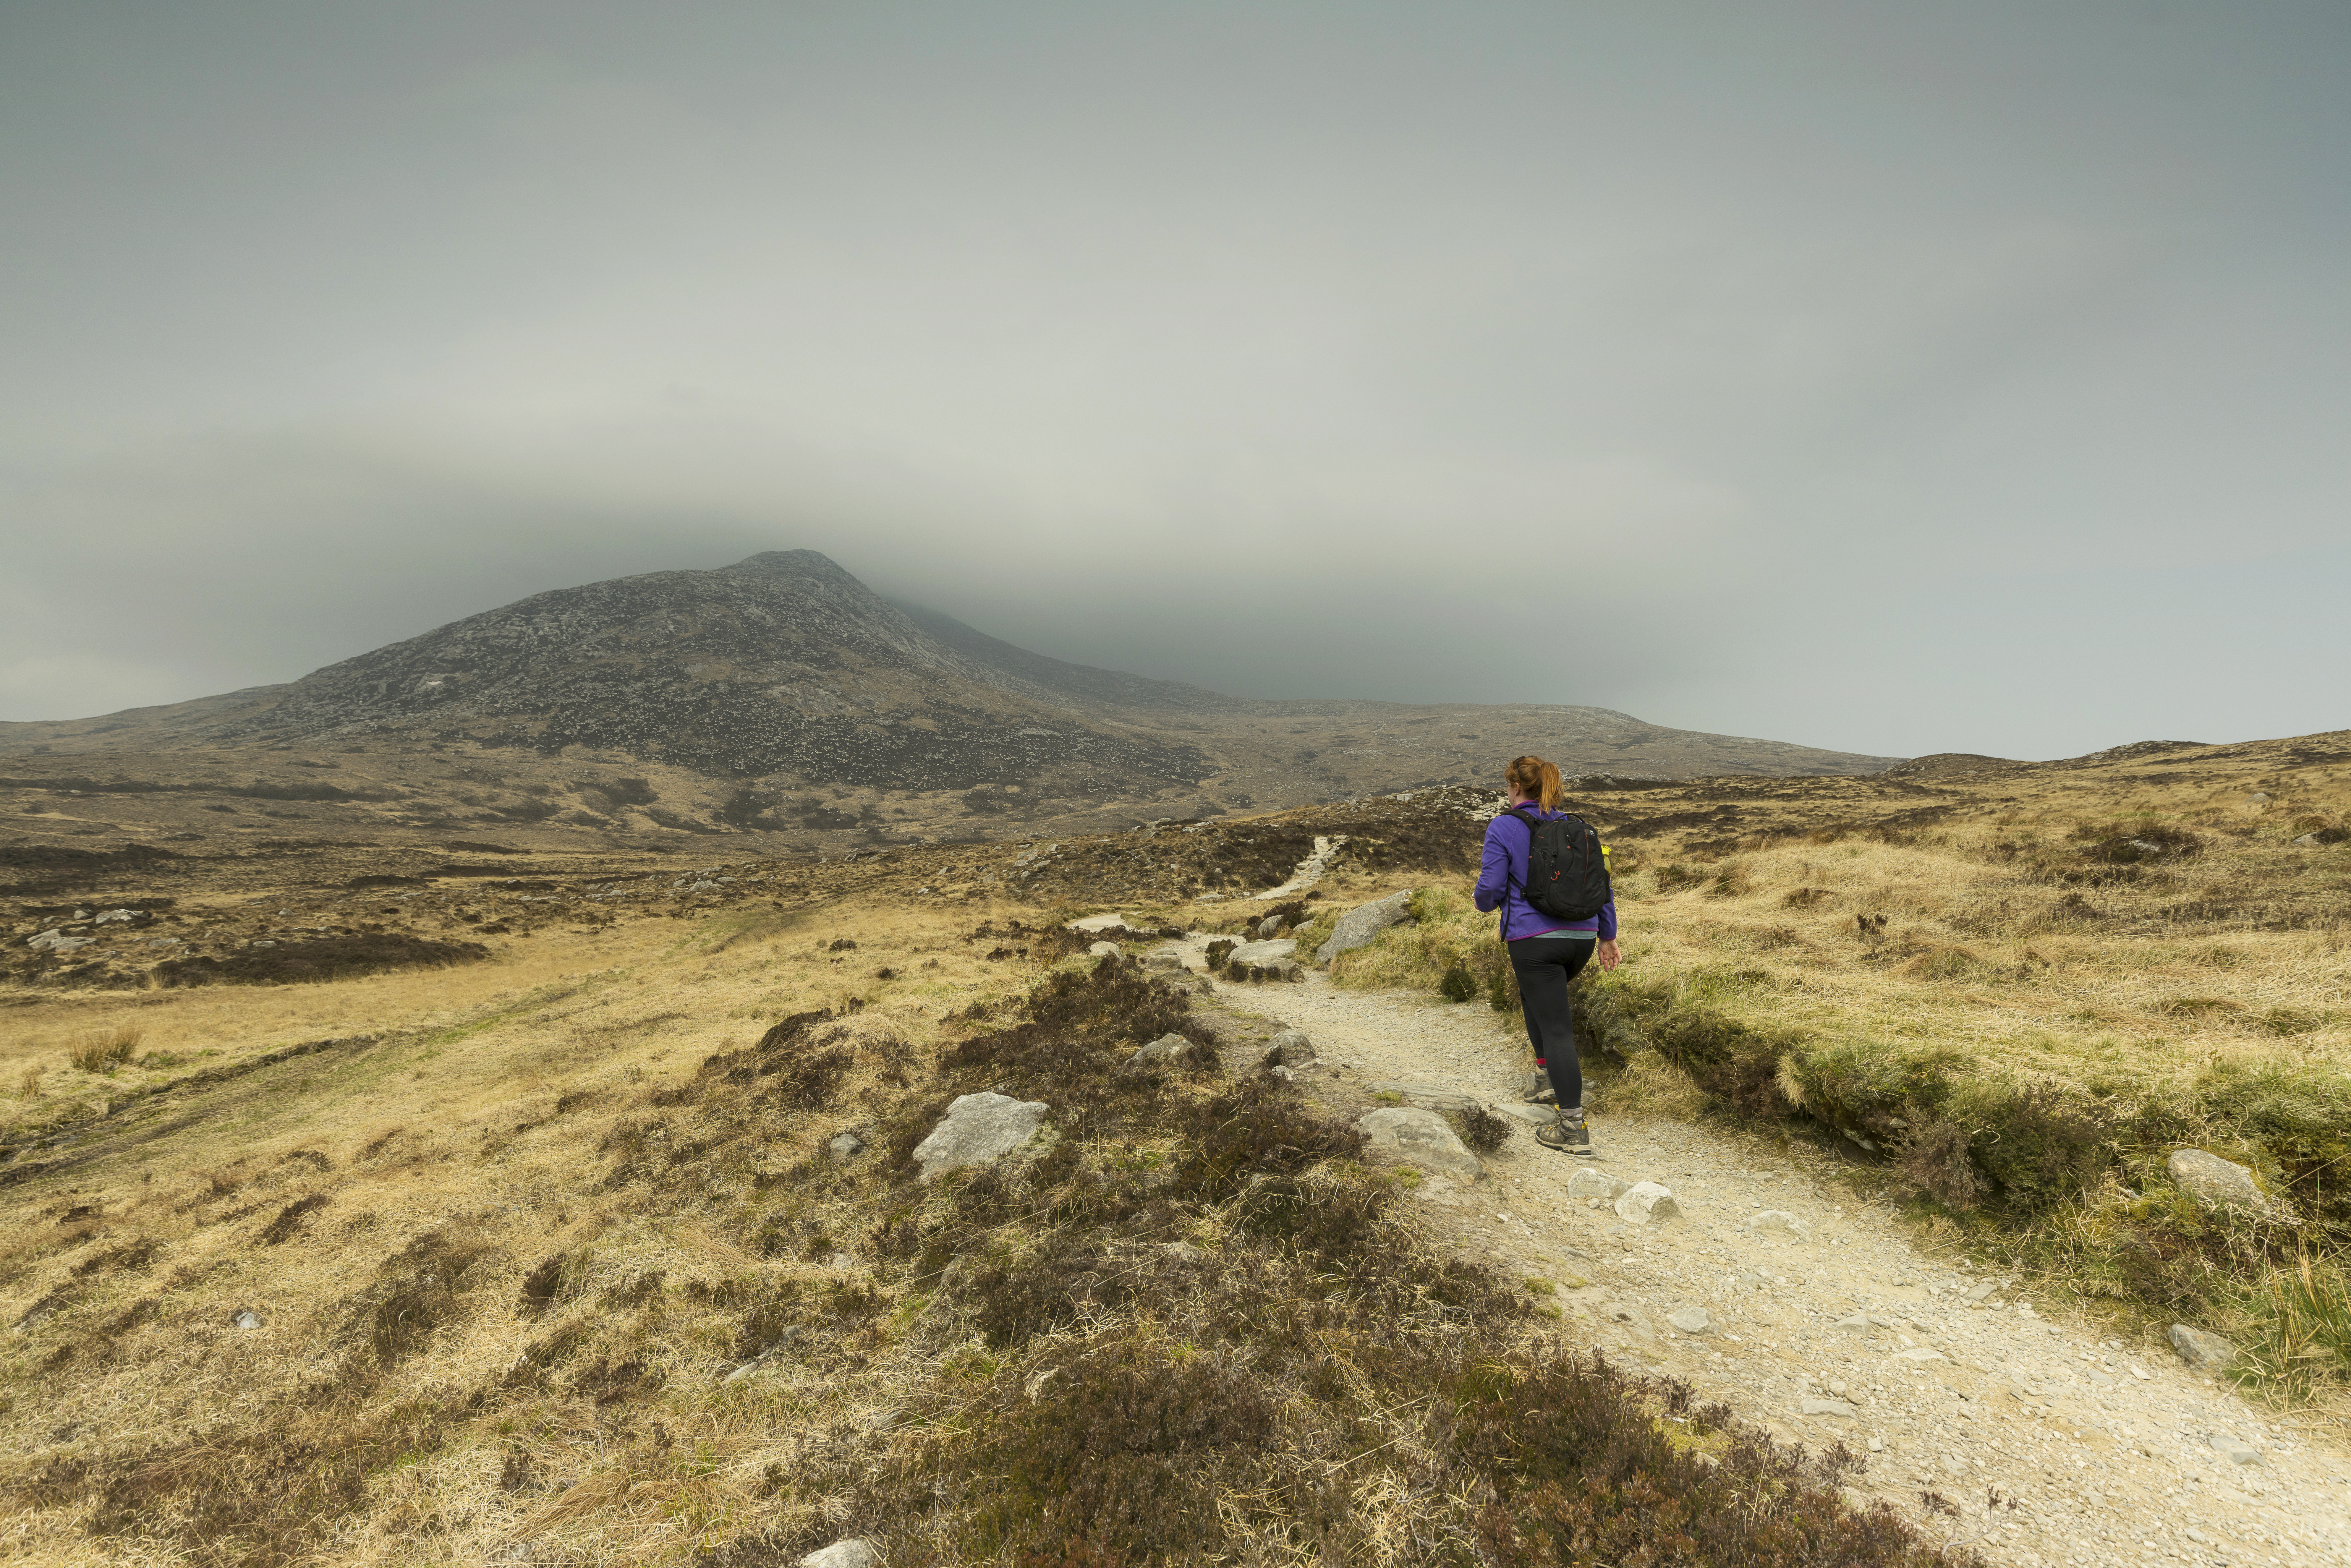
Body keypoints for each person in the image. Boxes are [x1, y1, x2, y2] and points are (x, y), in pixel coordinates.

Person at [1473, 754, 1619, 1156]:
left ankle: (1573, 1127)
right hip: (1582, 939)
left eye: (1508, 786)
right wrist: (1608, 935)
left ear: (1515, 787)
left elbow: (1490, 887)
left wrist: (1483, 903)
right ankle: (1543, 1078)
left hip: (1534, 941)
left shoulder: (1504, 826)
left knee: (1556, 1027)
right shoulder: (1577, 826)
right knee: (1533, 998)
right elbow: (1601, 885)